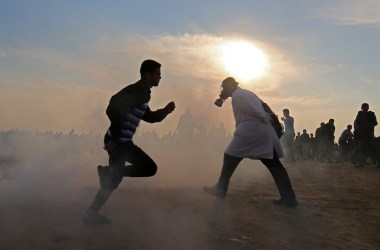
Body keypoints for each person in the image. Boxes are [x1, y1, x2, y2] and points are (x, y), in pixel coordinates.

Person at [83, 59, 176, 224]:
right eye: (157, 74)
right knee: (147, 168)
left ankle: (96, 203)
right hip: (119, 142)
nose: (160, 78)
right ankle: (106, 180)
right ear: (148, 74)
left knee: (117, 178)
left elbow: (149, 117)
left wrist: (166, 111)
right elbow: (112, 107)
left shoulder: (143, 93)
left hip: (122, 141)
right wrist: (116, 138)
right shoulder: (138, 91)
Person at [203, 77, 298, 207]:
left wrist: (263, 117)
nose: (223, 90)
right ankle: (289, 198)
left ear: (230, 86)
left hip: (251, 131)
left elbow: (254, 110)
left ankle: (220, 189)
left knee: (229, 158)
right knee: (274, 164)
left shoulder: (238, 95)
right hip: (261, 131)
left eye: (224, 87)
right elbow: (263, 107)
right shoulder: (246, 93)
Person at [354, 103, 378, 167]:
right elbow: (356, 122)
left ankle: (377, 162)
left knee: (372, 148)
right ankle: (361, 163)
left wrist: (368, 125)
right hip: (361, 134)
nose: (365, 109)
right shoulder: (359, 114)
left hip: (369, 134)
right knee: (361, 148)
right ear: (362, 108)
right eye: (364, 107)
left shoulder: (371, 114)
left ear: (368, 108)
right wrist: (357, 127)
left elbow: (375, 123)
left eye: (366, 107)